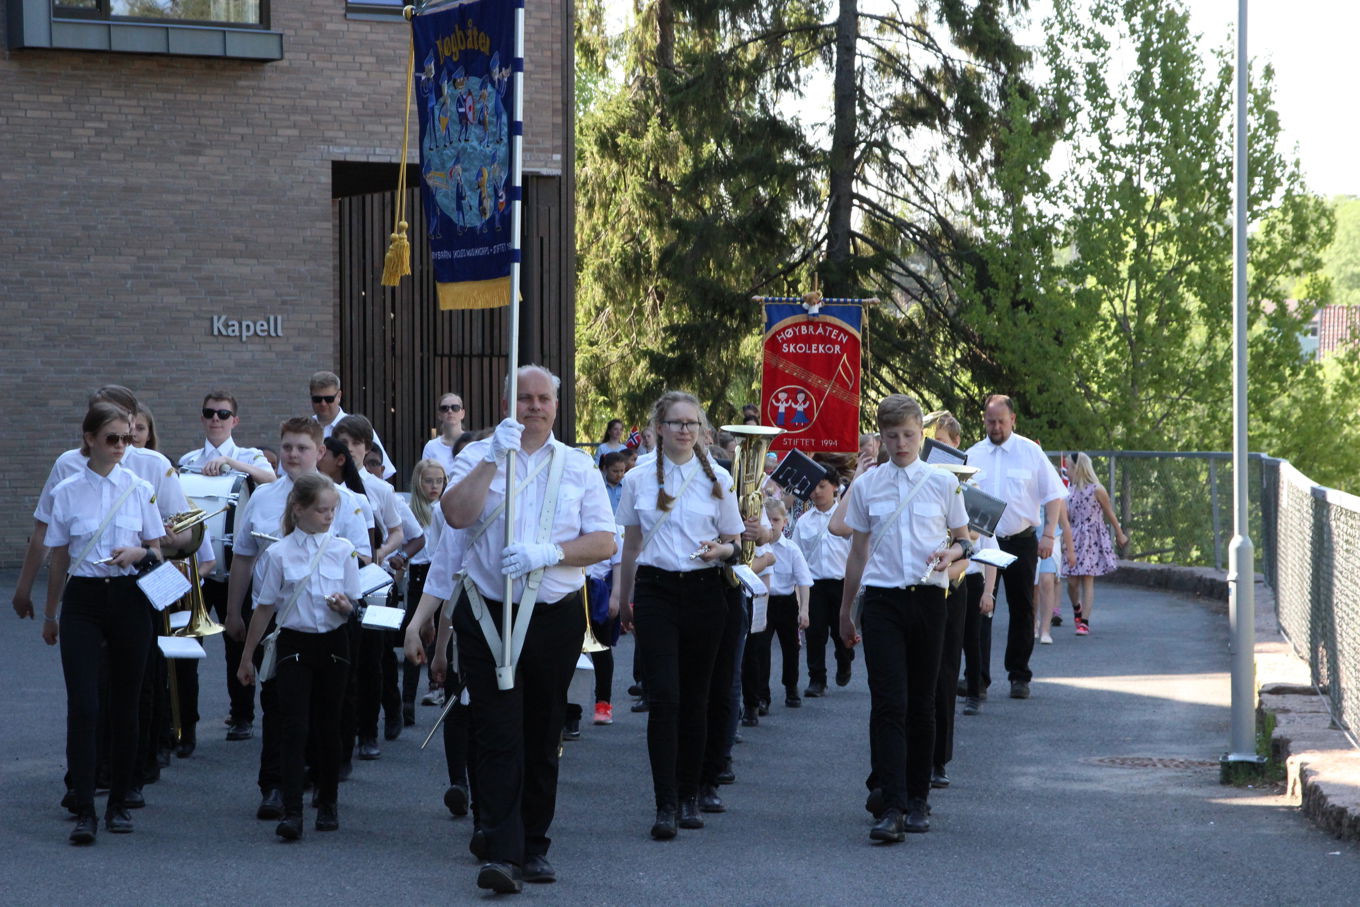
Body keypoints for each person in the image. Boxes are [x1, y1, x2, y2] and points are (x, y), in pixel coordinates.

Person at [441, 364, 615, 893]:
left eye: (543, 398)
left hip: (553, 613)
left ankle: (534, 845)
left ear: (556, 406)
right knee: (497, 731)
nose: (534, 406)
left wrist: (551, 552)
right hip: (488, 611)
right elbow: (455, 515)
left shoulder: (578, 465)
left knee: (541, 731)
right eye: (523, 398)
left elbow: (604, 541)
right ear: (504, 405)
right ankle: (502, 851)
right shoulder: (478, 455)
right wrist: (492, 459)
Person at [225, 418, 373, 822]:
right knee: (280, 710)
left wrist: (344, 600)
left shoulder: (343, 500)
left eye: (302, 448)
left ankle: (324, 790)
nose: (292, 454)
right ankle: (276, 788)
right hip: (281, 623)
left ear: (320, 452)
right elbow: (244, 558)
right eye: (286, 447)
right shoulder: (262, 498)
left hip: (329, 625)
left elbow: (362, 558)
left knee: (327, 717)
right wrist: (233, 612)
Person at [837, 394, 971, 842]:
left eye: (909, 435)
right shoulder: (867, 486)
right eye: (892, 436)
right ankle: (891, 805)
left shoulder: (942, 482)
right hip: (882, 603)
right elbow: (857, 552)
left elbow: (965, 541)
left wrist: (952, 553)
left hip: (929, 600)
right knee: (888, 702)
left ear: (921, 434)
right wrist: (845, 610)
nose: (901, 444)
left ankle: (918, 798)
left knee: (922, 702)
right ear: (881, 437)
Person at [616, 390, 743, 841]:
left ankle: (690, 794)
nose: (684, 430)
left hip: (706, 591)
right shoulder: (637, 479)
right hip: (656, 591)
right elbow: (631, 545)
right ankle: (665, 803)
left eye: (692, 423)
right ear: (659, 428)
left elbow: (736, 544)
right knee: (665, 697)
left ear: (701, 429)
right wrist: (623, 598)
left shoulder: (719, 478)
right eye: (676, 423)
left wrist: (720, 550)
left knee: (696, 698)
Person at [41, 402, 167, 844]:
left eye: (127, 439)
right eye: (112, 438)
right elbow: (59, 558)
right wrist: (50, 614)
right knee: (84, 704)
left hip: (129, 598)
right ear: (90, 438)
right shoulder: (67, 490)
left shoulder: (139, 487)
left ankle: (119, 803)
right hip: (83, 599)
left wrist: (139, 553)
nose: (121, 446)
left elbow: (157, 550)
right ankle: (84, 807)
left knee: (126, 704)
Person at [237, 474, 361, 840]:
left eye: (332, 510)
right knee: (294, 727)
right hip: (294, 643)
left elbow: (354, 604)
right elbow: (263, 608)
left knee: (329, 725)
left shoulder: (343, 549)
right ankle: (292, 811)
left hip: (334, 643)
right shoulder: (278, 553)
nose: (329, 516)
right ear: (299, 509)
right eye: (322, 510)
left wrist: (345, 606)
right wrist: (247, 657)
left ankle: (328, 801)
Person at [179, 392, 277, 747]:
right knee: (185, 646)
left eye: (223, 414)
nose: (215, 419)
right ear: (202, 418)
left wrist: (231, 463)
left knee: (239, 640)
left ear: (235, 420)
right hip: (197, 568)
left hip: (237, 567)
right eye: (209, 413)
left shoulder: (249, 456)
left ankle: (242, 715)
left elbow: (272, 478)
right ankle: (184, 725)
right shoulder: (188, 461)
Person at [963, 395, 1067, 700]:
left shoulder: (1030, 452)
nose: (995, 427)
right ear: (984, 421)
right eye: (990, 421)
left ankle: (1019, 675)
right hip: (984, 542)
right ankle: (977, 678)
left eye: (1001, 421)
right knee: (980, 609)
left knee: (1022, 609)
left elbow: (1054, 494)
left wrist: (1048, 535)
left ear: (1013, 420)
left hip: (1021, 540)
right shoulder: (972, 455)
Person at [332, 414, 411, 754]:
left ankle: (374, 727)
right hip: (338, 582)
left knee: (374, 658)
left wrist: (378, 553)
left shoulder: (380, 488)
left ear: (367, 448)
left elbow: (398, 532)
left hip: (374, 583)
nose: (349, 449)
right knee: (344, 658)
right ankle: (347, 729)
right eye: (343, 443)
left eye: (355, 443)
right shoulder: (325, 485)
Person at [742, 498, 810, 720]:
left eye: (776, 520)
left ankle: (791, 686)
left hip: (786, 602)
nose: (771, 524)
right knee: (760, 650)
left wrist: (804, 609)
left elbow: (803, 581)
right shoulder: (757, 548)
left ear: (785, 522)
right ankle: (762, 696)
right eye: (768, 520)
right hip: (764, 601)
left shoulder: (791, 549)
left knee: (791, 647)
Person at [397, 458, 447, 724]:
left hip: (440, 573)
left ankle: (438, 687)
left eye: (439, 481)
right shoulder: (410, 510)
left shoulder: (446, 508)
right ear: (418, 482)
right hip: (418, 575)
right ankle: (407, 699)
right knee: (414, 631)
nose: (434, 486)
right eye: (428, 481)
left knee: (443, 632)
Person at [799, 463, 855, 697]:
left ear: (835, 487)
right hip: (814, 585)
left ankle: (845, 660)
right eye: (813, 487)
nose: (817, 491)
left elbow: (856, 552)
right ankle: (817, 679)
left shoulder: (847, 519)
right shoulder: (803, 521)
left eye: (822, 486)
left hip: (841, 583)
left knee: (839, 631)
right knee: (815, 633)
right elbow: (798, 557)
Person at [1064, 452, 1129, 635]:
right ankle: (1077, 607)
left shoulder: (1097, 489)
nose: (1066, 471)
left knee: (1087, 579)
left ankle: (1084, 622)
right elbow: (1066, 517)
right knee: (1072, 581)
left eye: (1068, 467)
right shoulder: (1069, 491)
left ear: (1078, 468)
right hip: (1074, 536)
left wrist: (1120, 533)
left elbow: (1109, 513)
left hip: (1092, 537)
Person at [308, 370, 395, 479]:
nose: (323, 403)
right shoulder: (305, 429)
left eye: (329, 399)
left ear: (339, 396)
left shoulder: (358, 427)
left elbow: (383, 470)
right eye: (317, 399)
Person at [1034, 500, 1076, 645]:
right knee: (1033, 586)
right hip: (1030, 541)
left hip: (1052, 542)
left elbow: (1065, 525)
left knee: (1046, 581)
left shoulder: (1056, 497)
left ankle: (1045, 629)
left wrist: (1070, 551)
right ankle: (1033, 622)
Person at [422, 392, 466, 478]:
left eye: (455, 408)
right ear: (439, 415)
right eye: (444, 408)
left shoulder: (473, 443)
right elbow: (426, 477)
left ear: (462, 413)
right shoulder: (431, 447)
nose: (450, 411)